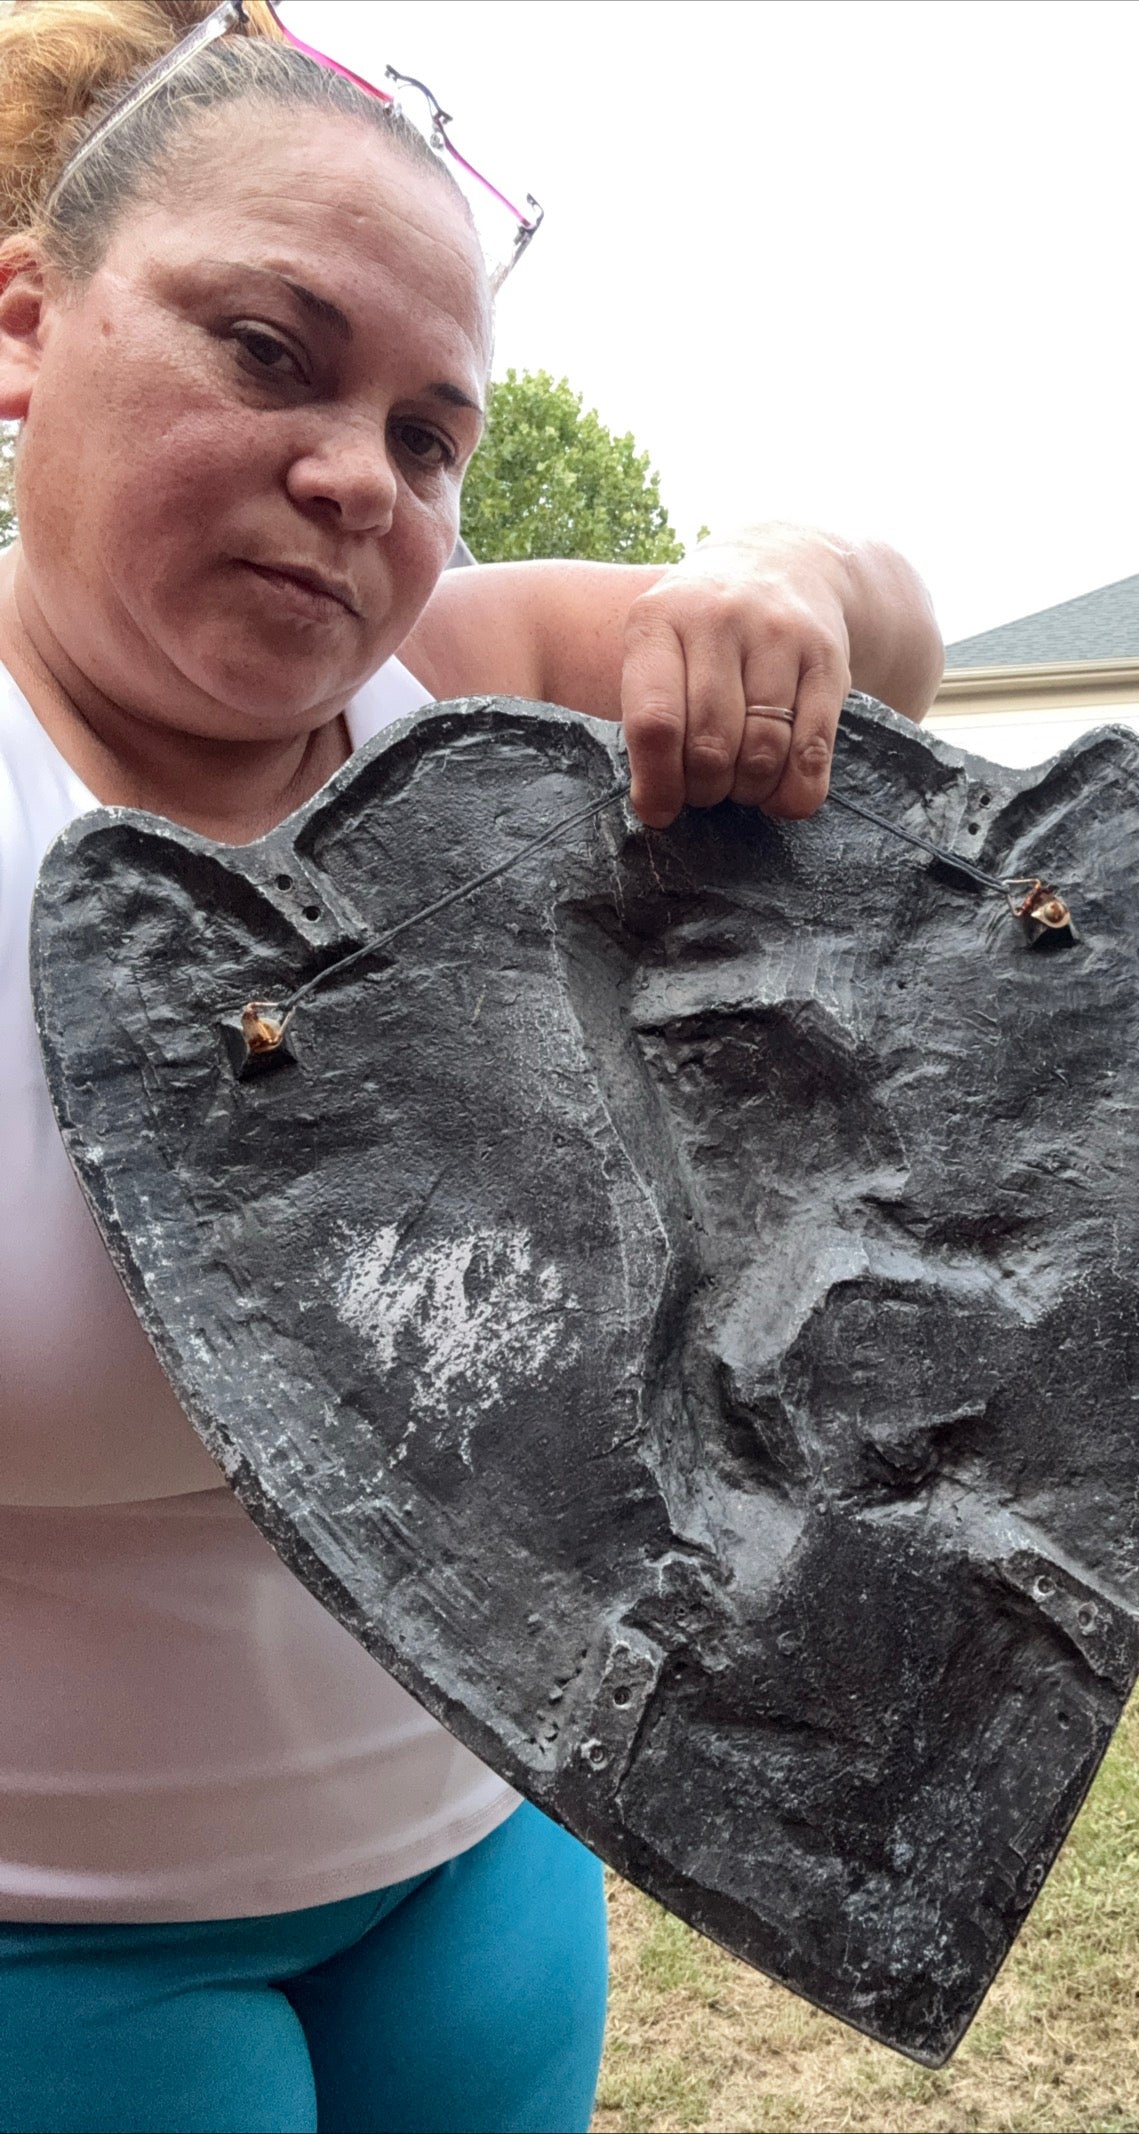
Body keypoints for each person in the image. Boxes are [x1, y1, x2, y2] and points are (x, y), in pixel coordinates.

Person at [0, 2, 944, 2128]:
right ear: (27, 325)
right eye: (267, 350)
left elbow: (880, 630)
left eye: (430, 435)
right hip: (41, 1940)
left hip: (477, 1855)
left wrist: (769, 577)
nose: (355, 474)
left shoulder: (462, 689)